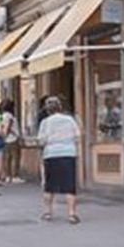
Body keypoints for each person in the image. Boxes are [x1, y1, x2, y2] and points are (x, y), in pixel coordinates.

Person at [37, 95, 81, 224]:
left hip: (51, 154)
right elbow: (77, 136)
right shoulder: (69, 120)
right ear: (60, 107)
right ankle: (72, 214)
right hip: (68, 153)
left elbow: (41, 140)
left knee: (49, 186)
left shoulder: (45, 122)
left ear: (47, 109)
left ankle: (47, 213)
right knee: (69, 185)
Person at [0, 99, 22, 183]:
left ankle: (8, 176)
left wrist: (3, 137)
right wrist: (6, 134)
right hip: (12, 139)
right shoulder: (9, 116)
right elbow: (8, 127)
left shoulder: (3, 115)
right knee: (15, 158)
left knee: (7, 158)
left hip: (6, 140)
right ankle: (14, 176)